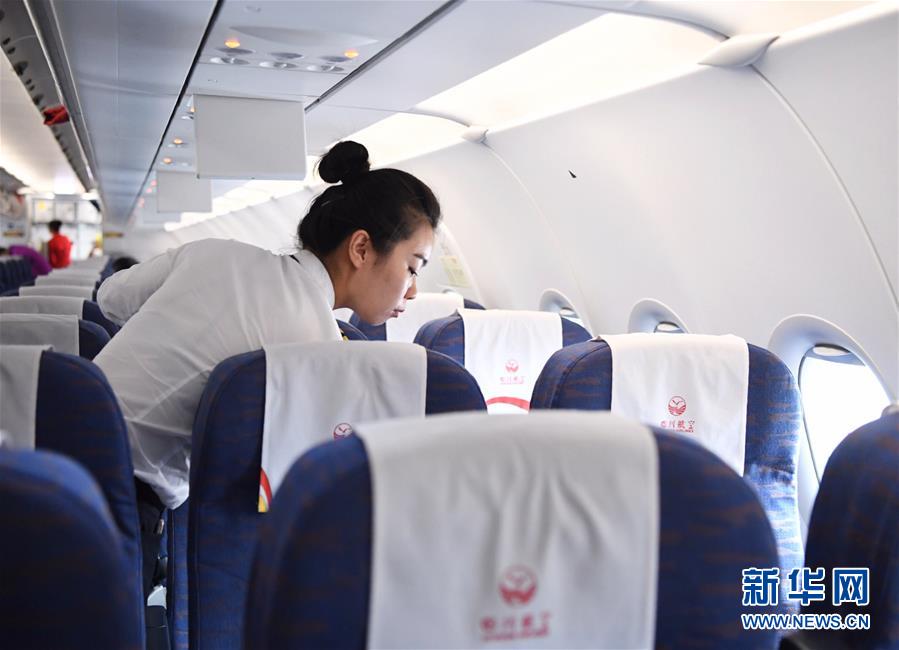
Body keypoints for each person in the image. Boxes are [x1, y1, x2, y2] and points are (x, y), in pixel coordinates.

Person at [93, 141, 440, 597]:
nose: (413, 291)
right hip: (115, 503)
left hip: (44, 436)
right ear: (360, 248)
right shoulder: (314, 351)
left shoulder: (213, 252)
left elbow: (109, 299)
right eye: (413, 267)